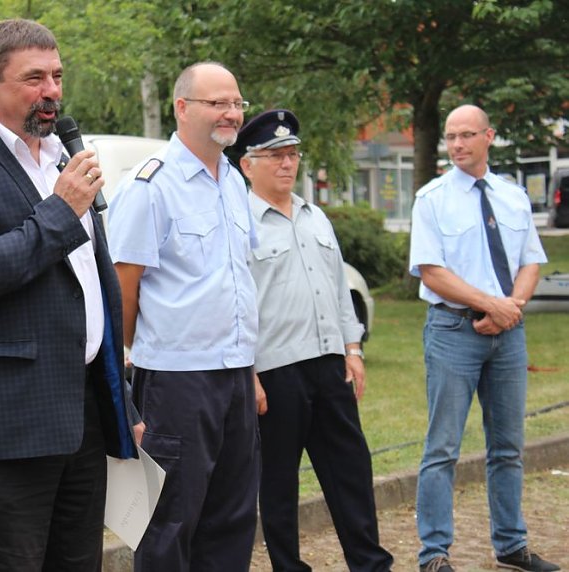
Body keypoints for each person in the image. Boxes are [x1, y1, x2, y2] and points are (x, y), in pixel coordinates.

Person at [0, 18, 141, 571]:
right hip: (2, 430)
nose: (53, 92)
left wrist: (121, 396)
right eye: (34, 78)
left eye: (58, 76)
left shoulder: (61, 160)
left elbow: (92, 286)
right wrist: (61, 213)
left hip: (81, 419)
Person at [107, 61, 260, 572]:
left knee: (233, 518)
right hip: (177, 380)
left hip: (235, 376)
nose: (231, 113)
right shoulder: (151, 186)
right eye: (217, 103)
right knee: (171, 523)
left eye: (236, 103)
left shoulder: (235, 184)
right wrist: (132, 367)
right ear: (182, 108)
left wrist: (251, 371)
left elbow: (236, 285)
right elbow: (123, 290)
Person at [235, 109, 394, 572]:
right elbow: (237, 305)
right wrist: (250, 372)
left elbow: (339, 289)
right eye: (275, 156)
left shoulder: (315, 216)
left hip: (329, 365)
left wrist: (354, 349)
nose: (287, 164)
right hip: (276, 370)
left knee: (351, 472)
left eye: (292, 155)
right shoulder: (241, 223)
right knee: (279, 482)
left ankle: (369, 563)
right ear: (248, 165)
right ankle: (289, 566)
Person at [409, 104, 559, 572]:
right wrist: (492, 304)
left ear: (489, 136)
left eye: (466, 135)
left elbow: (531, 260)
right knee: (443, 448)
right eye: (450, 137)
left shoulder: (512, 196)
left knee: (509, 447)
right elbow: (431, 272)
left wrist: (509, 307)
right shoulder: (431, 198)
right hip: (454, 330)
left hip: (508, 335)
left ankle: (511, 545)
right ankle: (434, 553)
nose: (456, 145)